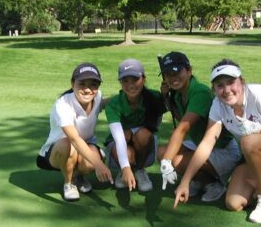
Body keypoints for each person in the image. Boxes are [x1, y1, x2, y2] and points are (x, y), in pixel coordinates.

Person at [174, 59, 261, 223]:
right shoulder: (218, 105)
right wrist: (185, 182)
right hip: (255, 151)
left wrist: (257, 128)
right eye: (220, 85)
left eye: (231, 82)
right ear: (214, 89)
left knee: (248, 142)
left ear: (242, 82)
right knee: (233, 203)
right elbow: (207, 143)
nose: (226, 90)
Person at [158, 52, 241, 202]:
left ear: (189, 71)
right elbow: (180, 116)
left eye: (177, 71)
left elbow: (182, 128)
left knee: (173, 160)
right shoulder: (177, 94)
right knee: (163, 152)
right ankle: (200, 179)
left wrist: (166, 163)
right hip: (200, 144)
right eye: (168, 74)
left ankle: (213, 184)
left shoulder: (200, 92)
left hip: (223, 150)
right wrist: (166, 97)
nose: (172, 77)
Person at [36, 62, 113, 201]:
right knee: (68, 145)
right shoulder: (63, 104)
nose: (88, 90)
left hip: (85, 145)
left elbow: (103, 104)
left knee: (90, 161)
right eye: (82, 84)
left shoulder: (97, 96)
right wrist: (99, 165)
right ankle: (69, 183)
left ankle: (78, 177)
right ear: (73, 84)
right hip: (57, 151)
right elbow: (74, 139)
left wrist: (126, 95)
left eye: (93, 84)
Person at [105, 59, 166, 192]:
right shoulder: (114, 103)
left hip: (144, 144)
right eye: (125, 80)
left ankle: (139, 169)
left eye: (135, 79)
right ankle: (125, 169)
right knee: (126, 146)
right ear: (120, 83)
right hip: (120, 143)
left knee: (143, 134)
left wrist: (166, 94)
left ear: (143, 79)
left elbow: (166, 113)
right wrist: (125, 167)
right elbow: (119, 137)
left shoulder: (154, 97)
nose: (130, 85)